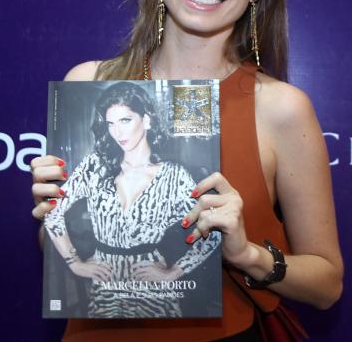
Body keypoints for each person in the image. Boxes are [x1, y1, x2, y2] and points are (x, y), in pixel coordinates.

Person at [30, 0, 343, 342]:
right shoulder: (89, 85)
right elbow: (56, 252)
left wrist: (246, 254)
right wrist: (51, 215)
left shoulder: (281, 107)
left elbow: (326, 285)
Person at [43, 81, 221, 318]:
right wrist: (74, 262)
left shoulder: (174, 176)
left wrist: (175, 272)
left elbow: (213, 232)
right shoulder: (96, 166)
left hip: (152, 287)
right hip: (105, 284)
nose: (117, 132)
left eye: (125, 120)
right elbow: (52, 211)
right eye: (111, 124)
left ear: (146, 120)